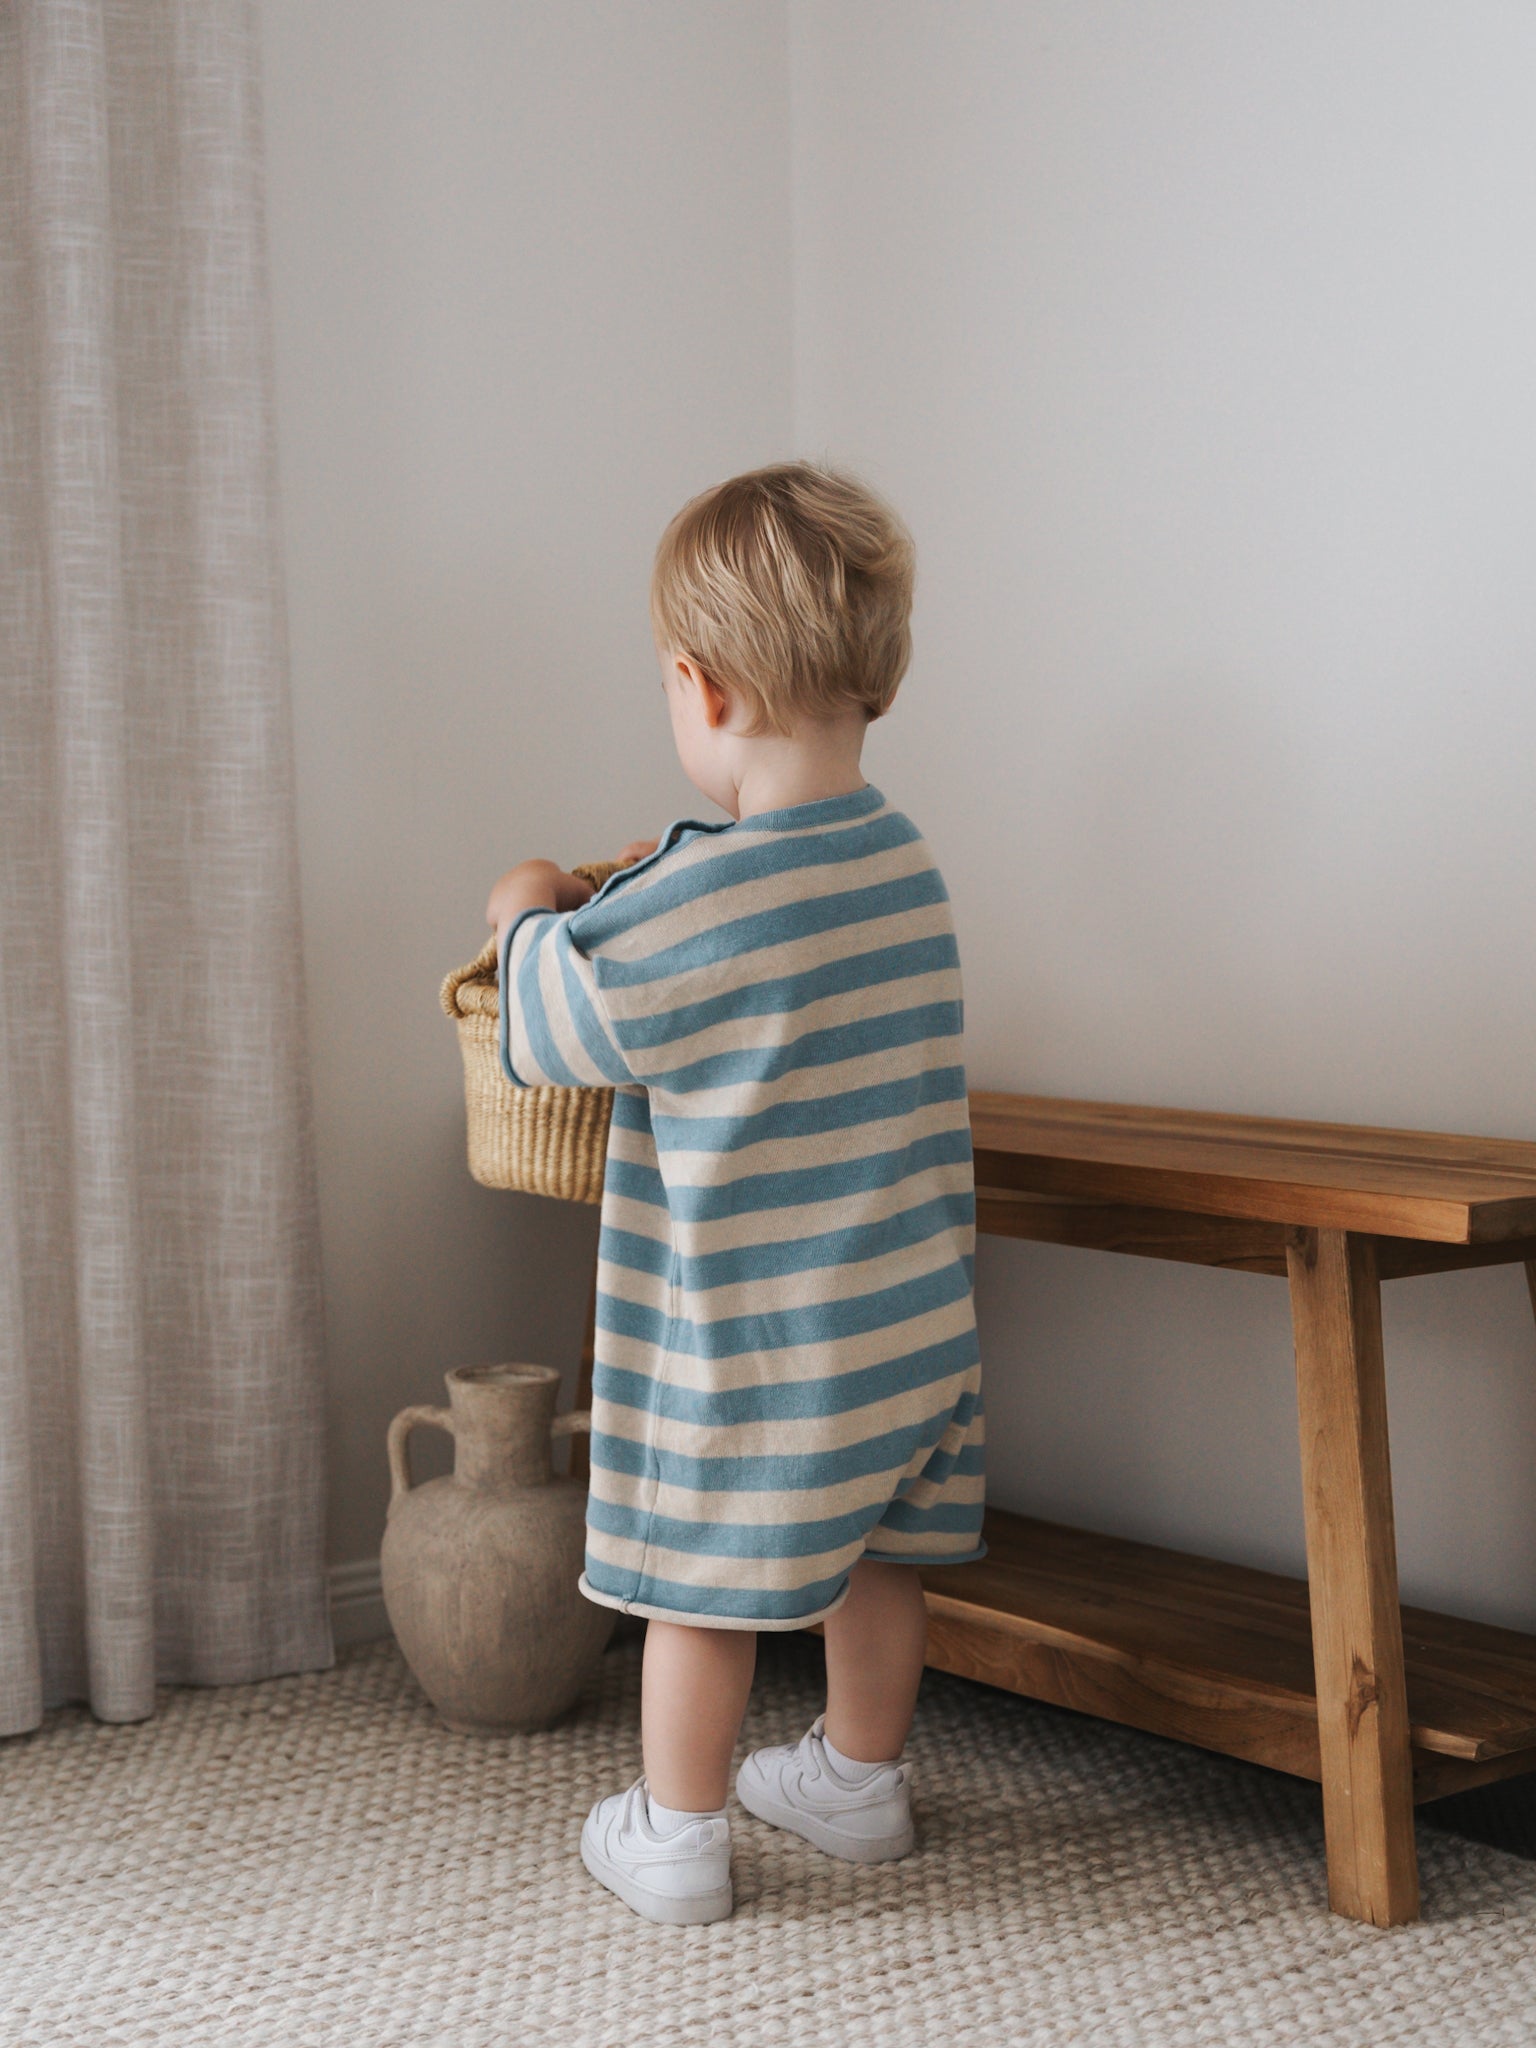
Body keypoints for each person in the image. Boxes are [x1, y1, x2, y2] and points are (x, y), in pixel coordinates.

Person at [485, 461, 985, 1925]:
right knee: (881, 1553)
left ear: (700, 690)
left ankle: (680, 1832)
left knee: (693, 1582)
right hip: (906, 1335)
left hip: (749, 1353)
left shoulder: (697, 899)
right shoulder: (906, 868)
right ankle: (859, 1780)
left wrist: (520, 909)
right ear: (872, 681)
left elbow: (548, 1032)